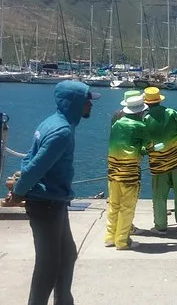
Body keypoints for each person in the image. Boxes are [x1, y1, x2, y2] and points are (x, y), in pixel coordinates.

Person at [7, 80, 100, 305]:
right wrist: (18, 192)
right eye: (87, 100)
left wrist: (20, 187)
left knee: (67, 255)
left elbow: (29, 158)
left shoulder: (52, 122)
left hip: (55, 202)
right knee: (48, 265)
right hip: (46, 204)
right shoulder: (62, 132)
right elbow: (35, 167)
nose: (91, 104)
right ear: (73, 103)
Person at [105, 95, 153, 250]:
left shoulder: (117, 124)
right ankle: (122, 241)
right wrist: (144, 150)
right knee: (127, 208)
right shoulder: (141, 126)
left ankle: (110, 236)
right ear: (140, 111)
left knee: (114, 205)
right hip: (129, 173)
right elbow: (149, 146)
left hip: (113, 171)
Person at [142, 87, 177, 234]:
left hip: (158, 164)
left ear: (146, 103)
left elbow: (144, 143)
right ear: (159, 100)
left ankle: (161, 226)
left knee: (159, 196)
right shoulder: (172, 113)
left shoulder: (144, 119)